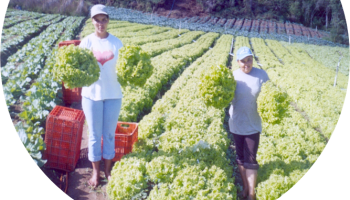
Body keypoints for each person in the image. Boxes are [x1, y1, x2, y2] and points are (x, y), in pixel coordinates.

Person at [79, 4, 123, 188]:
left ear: (108, 21)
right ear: (92, 21)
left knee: (109, 135)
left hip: (113, 94)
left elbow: (124, 67)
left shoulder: (116, 43)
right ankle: (96, 173)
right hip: (91, 95)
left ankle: (108, 170)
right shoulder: (86, 43)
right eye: (97, 20)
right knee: (95, 135)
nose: (101, 23)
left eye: (104, 19)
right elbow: (78, 67)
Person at [228, 47, 269, 200]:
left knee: (250, 159)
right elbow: (225, 97)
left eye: (249, 59)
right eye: (243, 61)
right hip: (236, 123)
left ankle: (251, 193)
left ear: (253, 59)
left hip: (253, 124)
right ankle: (245, 186)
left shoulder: (261, 75)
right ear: (238, 62)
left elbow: (269, 95)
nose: (247, 63)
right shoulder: (233, 77)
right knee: (240, 157)